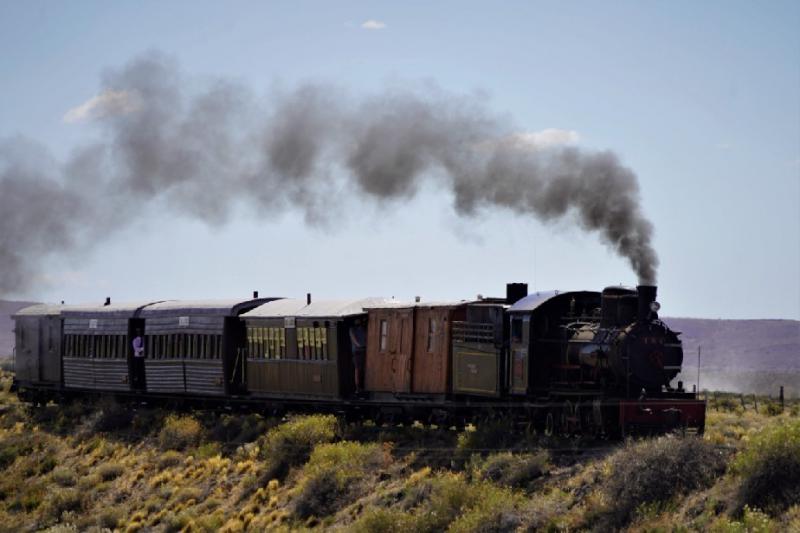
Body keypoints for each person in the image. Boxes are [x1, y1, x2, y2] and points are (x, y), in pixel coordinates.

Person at [349, 318, 367, 394]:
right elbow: (354, 340)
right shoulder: (352, 329)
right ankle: (357, 388)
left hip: (364, 350)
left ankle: (364, 386)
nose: (358, 321)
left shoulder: (363, 329)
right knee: (357, 370)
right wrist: (360, 345)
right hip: (357, 351)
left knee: (364, 369)